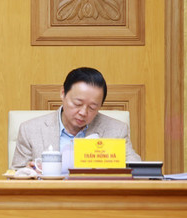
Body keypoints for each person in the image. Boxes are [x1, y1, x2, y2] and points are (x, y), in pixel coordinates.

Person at [11, 67, 141, 173]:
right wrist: (28, 173)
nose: (83, 112)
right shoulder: (30, 129)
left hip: (97, 201)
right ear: (63, 93)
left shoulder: (116, 130)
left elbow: (138, 171)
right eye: (78, 104)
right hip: (48, 201)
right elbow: (14, 176)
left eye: (92, 107)